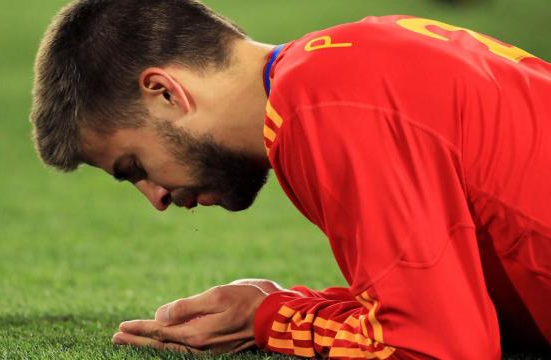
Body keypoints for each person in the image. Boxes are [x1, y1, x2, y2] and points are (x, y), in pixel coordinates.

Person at [30, 0, 551, 358]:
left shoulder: (321, 105)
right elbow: (472, 296)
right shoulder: (340, 65)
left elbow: (433, 346)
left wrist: (271, 321)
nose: (157, 198)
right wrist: (283, 306)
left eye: (134, 168)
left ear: (166, 93)